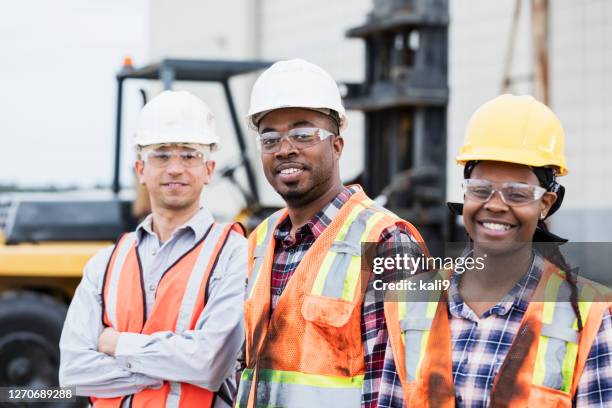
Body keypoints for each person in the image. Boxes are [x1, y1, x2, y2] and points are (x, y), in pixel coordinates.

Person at [382, 94, 611, 407]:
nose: (495, 205)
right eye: (481, 190)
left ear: (545, 204)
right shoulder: (410, 302)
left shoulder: (590, 315)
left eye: (517, 194)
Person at [234, 59, 427, 408]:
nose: (285, 148)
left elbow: (400, 389)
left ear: (337, 146)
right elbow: (245, 369)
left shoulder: (387, 241)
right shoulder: (260, 240)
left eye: (303, 134)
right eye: (270, 137)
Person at [59, 90, 247, 407]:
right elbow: (74, 374)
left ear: (209, 169)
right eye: (160, 155)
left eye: (189, 155)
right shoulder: (105, 264)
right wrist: (174, 366)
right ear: (140, 170)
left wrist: (117, 343)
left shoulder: (234, 254)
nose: (175, 167)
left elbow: (211, 364)